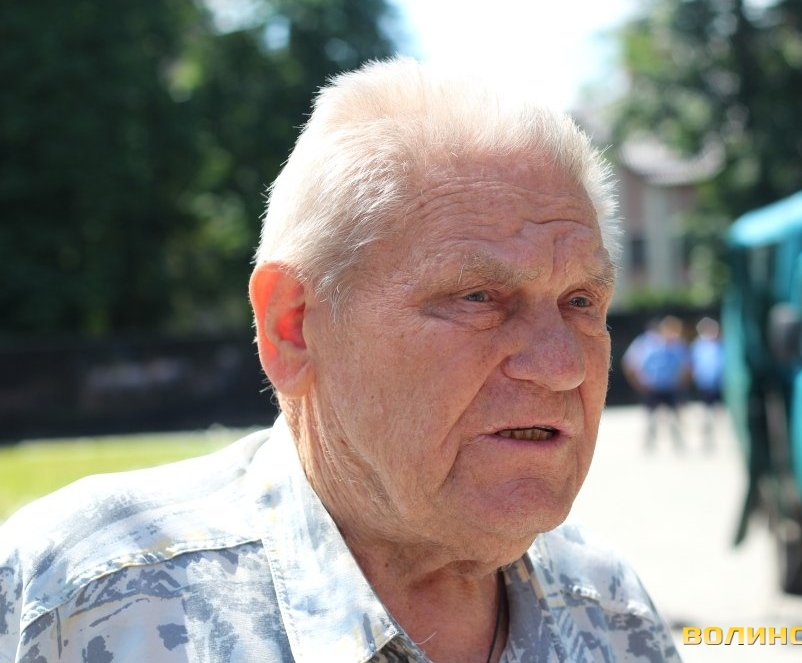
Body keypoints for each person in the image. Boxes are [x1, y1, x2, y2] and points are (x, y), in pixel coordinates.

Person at [0, 58, 682, 662]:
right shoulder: (80, 604)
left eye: (581, 301)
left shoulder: (613, 613)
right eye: (479, 297)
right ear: (292, 327)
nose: (563, 365)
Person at [622, 315, 689, 452]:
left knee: (675, 417)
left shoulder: (675, 343)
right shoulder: (644, 343)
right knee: (651, 418)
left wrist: (681, 382)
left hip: (670, 386)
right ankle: (649, 445)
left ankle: (678, 443)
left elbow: (686, 365)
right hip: (652, 387)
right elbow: (630, 364)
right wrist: (638, 383)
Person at [690, 316, 725, 447]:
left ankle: (721, 436)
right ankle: (707, 438)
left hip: (720, 383)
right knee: (705, 412)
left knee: (720, 412)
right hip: (705, 383)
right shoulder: (698, 345)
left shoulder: (721, 344)